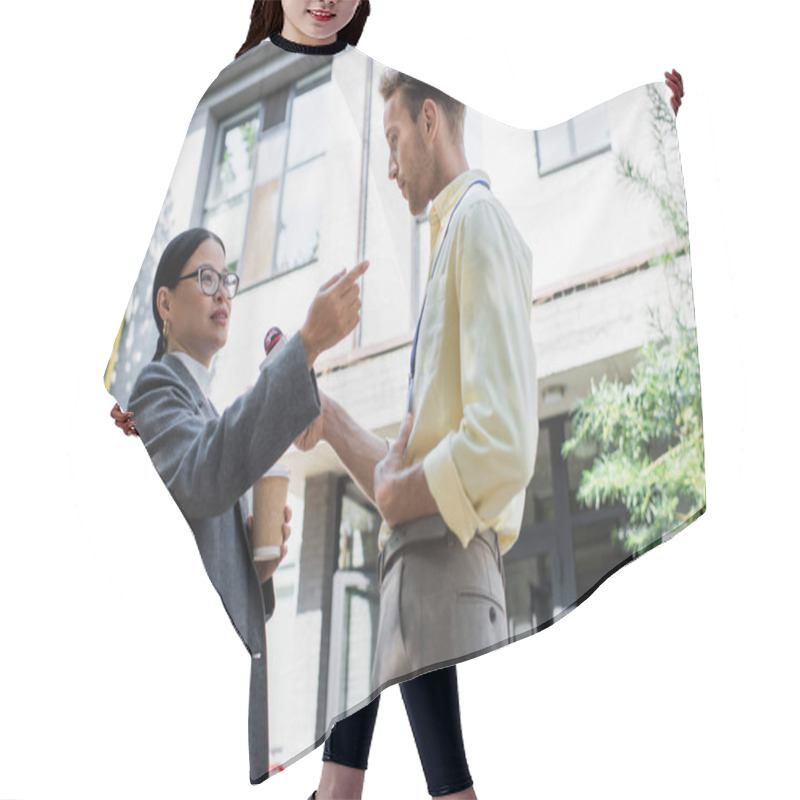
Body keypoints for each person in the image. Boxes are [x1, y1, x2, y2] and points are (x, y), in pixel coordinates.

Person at [122, 226, 368, 784]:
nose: (222, 294)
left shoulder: (203, 410)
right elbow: (207, 473)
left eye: (227, 280)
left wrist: (259, 566)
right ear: (165, 303)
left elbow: (202, 526)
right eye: (206, 278)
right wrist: (304, 344)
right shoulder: (154, 393)